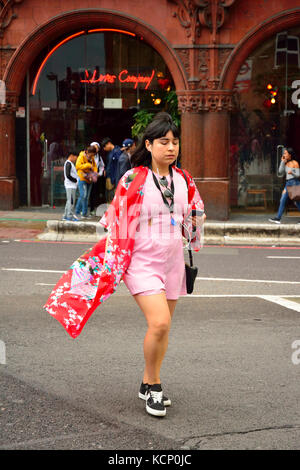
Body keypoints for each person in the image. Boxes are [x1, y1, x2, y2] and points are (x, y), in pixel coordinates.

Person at [44, 112, 205, 419]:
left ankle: (147, 379)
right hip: (142, 262)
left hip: (172, 261)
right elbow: (115, 224)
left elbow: (194, 213)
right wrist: (113, 265)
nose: (171, 147)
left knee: (163, 327)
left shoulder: (184, 180)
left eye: (175, 141)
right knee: (159, 323)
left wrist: (194, 222)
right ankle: (155, 387)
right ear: (149, 144)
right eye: (163, 142)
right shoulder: (134, 179)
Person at [269, 147, 300, 224]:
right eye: (284, 153)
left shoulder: (295, 163)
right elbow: (280, 171)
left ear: (290, 154)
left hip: (294, 183)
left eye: (285, 153)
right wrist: (282, 162)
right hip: (288, 183)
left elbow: (298, 175)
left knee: (297, 202)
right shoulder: (286, 163)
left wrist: (292, 172)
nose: (284, 154)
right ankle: (278, 218)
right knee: (282, 200)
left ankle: (278, 218)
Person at [75, 145, 97, 219]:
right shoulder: (81, 156)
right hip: (82, 178)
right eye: (91, 154)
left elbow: (95, 166)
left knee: (86, 197)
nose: (92, 156)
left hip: (89, 179)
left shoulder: (92, 158)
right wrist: (87, 165)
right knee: (83, 195)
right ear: (87, 152)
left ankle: (84, 213)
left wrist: (95, 172)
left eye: (93, 155)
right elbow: (77, 166)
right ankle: (77, 212)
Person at [101, 137, 122, 203]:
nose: (104, 149)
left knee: (114, 195)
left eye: (105, 146)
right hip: (109, 177)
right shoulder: (110, 153)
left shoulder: (118, 151)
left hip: (115, 177)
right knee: (109, 195)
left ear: (109, 143)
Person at [89, 141, 105, 215]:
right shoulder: (87, 155)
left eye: (97, 147)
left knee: (94, 193)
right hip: (87, 178)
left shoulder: (98, 157)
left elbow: (102, 166)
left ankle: (92, 209)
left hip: (95, 178)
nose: (96, 149)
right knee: (86, 194)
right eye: (95, 147)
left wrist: (100, 173)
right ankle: (85, 209)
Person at [62, 150, 79, 221]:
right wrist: (75, 180)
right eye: (76, 157)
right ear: (71, 156)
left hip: (72, 186)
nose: (76, 159)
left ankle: (66, 215)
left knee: (69, 200)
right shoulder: (68, 163)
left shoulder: (70, 164)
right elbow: (68, 175)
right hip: (70, 185)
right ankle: (69, 215)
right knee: (71, 201)